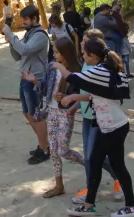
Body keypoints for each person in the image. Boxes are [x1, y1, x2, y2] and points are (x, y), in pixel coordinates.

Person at [55, 39, 134, 217]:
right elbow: (96, 95)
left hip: (112, 127)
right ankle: (126, 206)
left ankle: (91, 206)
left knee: (96, 162)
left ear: (93, 56)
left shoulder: (100, 71)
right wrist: (73, 98)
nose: (83, 58)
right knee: (114, 165)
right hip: (114, 125)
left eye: (84, 54)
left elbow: (71, 77)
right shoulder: (107, 71)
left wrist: (56, 65)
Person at [21, 37, 84, 198]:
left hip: (65, 114)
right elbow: (44, 89)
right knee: (54, 152)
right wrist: (34, 81)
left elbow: (80, 95)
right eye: (54, 51)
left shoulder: (76, 71)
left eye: (57, 52)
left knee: (63, 150)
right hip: (52, 112)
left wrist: (67, 100)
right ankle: (59, 186)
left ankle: (87, 163)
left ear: (65, 53)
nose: (54, 55)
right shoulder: (51, 68)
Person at [71, 28, 123, 206]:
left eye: (84, 41)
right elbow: (84, 88)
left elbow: (93, 94)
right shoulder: (86, 62)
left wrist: (73, 98)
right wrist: (76, 106)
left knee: (94, 155)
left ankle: (112, 182)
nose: (80, 44)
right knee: (89, 156)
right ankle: (92, 187)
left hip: (99, 117)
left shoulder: (100, 67)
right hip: (87, 115)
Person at [3, 5, 50, 165]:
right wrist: (11, 41)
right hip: (25, 78)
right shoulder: (29, 33)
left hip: (35, 79)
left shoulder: (40, 35)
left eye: (26, 19)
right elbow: (18, 55)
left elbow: (25, 50)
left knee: (37, 115)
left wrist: (10, 34)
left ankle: (44, 149)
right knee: (27, 113)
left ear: (35, 19)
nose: (22, 21)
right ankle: (43, 144)